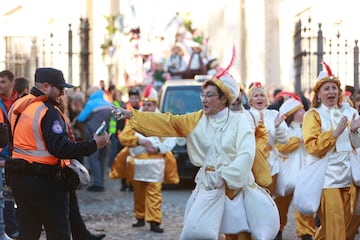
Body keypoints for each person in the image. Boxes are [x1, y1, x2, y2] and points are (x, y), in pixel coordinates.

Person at [111, 50, 256, 239]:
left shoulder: (240, 121)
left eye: (209, 95)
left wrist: (228, 176)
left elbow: (246, 154)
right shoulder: (196, 119)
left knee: (239, 233)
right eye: (202, 95)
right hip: (209, 185)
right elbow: (169, 122)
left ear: (223, 99)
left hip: (236, 186)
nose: (203, 99)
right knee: (199, 232)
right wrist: (132, 115)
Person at [6, 67, 110, 240]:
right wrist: (94, 144)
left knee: (28, 233)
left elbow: (13, 141)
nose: (62, 94)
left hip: (19, 178)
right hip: (45, 183)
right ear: (46, 86)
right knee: (58, 233)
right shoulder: (47, 111)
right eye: (60, 89)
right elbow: (61, 149)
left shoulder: (19, 105)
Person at [301, 62, 360, 239]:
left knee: (343, 226)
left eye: (334, 88)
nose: (331, 92)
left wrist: (353, 131)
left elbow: (355, 146)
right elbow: (312, 147)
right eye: (326, 88)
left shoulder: (347, 112)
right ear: (318, 94)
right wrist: (334, 133)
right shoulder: (313, 115)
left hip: (349, 178)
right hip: (327, 180)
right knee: (335, 227)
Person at [114, 85, 179, 233]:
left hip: (155, 164)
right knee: (138, 192)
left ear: (155, 105)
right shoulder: (136, 118)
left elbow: (170, 140)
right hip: (137, 163)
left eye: (149, 104)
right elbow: (123, 137)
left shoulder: (163, 120)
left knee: (154, 193)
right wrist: (139, 141)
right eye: (145, 104)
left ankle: (155, 221)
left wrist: (157, 148)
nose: (146, 107)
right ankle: (140, 217)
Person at [274, 97, 316, 240]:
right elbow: (282, 146)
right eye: (300, 110)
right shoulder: (284, 128)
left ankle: (306, 232)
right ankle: (277, 230)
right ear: (293, 113)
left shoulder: (309, 126)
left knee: (304, 205)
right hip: (287, 173)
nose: (304, 111)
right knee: (280, 205)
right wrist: (299, 139)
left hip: (304, 171)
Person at [247, 82, 289, 194]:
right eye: (256, 96)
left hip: (272, 162)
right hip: (253, 163)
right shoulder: (245, 116)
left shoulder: (274, 114)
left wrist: (277, 127)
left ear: (266, 99)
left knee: (269, 197)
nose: (259, 98)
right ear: (250, 100)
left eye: (262, 95)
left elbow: (285, 140)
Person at [77, 86, 112, 192]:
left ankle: (98, 183)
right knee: (102, 159)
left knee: (94, 159)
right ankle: (101, 181)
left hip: (94, 136)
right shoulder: (107, 103)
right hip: (105, 135)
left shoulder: (91, 104)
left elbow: (81, 118)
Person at [0, 70, 19, 240]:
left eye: (3, 82)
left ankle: (18, 223)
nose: (0, 85)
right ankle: (9, 227)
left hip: (20, 151)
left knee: (18, 192)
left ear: (12, 82)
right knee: (4, 193)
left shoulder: (20, 101)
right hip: (3, 154)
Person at [118, 88, 142, 192]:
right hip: (124, 139)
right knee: (124, 162)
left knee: (134, 163)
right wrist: (118, 134)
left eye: (136, 98)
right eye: (132, 98)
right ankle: (124, 183)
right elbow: (119, 123)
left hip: (136, 139)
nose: (134, 100)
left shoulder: (141, 110)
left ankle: (133, 183)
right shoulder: (124, 108)